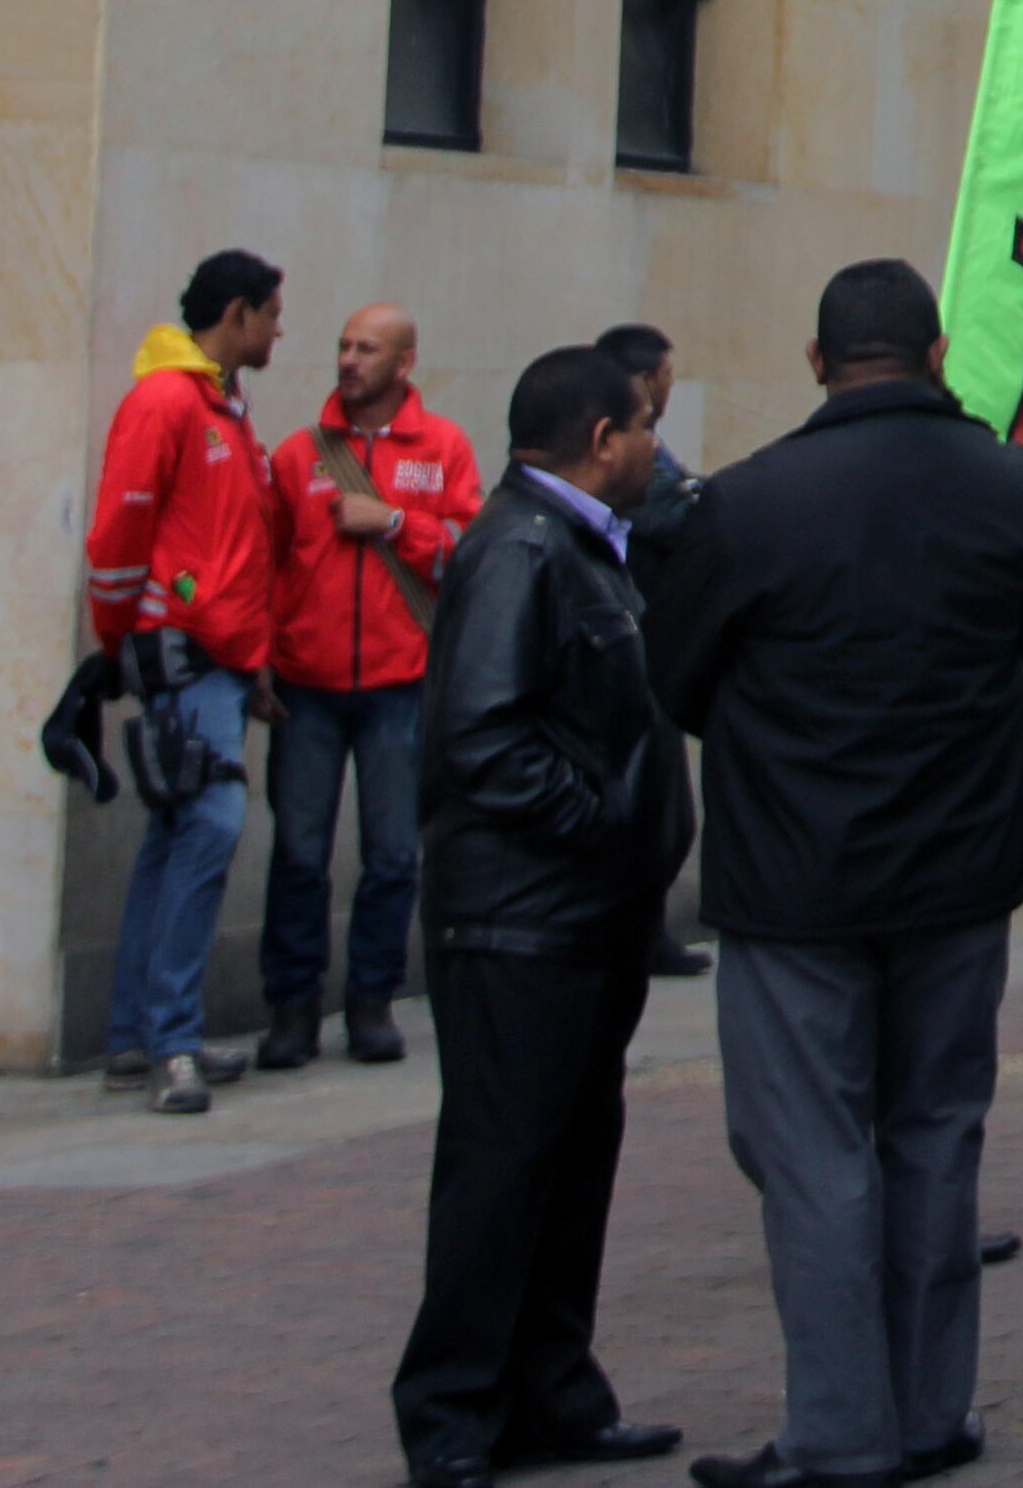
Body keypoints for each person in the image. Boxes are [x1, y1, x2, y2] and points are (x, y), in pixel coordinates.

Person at [644, 261, 1023, 1488]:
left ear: (819, 362)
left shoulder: (751, 502)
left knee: (813, 1149)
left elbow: (676, 678)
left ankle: (838, 1429)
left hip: (798, 874)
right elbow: (1009, 647)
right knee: (934, 1136)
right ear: (937, 353)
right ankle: (928, 1409)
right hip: (955, 869)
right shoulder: (1007, 490)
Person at [392, 345, 700, 1488]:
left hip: (584, 921)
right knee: (502, 1165)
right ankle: (453, 1411)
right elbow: (477, 734)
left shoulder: (588, 547)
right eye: (641, 430)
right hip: (520, 923)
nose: (655, 449)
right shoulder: (520, 548)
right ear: (600, 442)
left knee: (570, 1164)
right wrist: (599, 821)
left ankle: (551, 1388)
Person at [84, 247, 289, 1111]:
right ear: (237, 314)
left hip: (218, 656)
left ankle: (141, 1033)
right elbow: (119, 536)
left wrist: (254, 656)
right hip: (191, 654)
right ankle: (169, 1040)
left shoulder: (220, 404)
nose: (281, 328)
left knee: (176, 836)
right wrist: (129, 637)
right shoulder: (172, 402)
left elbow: (227, 549)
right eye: (273, 312)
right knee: (208, 825)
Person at [261, 301, 480, 1072]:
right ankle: (291, 1008)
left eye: (367, 347)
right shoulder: (297, 455)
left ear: (405, 361)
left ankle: (372, 1002)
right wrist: (260, 658)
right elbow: (263, 564)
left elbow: (466, 554)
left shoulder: (444, 448)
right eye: (343, 344)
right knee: (297, 853)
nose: (349, 359)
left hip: (399, 682)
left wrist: (392, 523)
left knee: (392, 855)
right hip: (306, 684)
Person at [598, 322, 716, 984]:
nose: (671, 385)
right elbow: (664, 508)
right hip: (629, 643)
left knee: (669, 814)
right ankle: (632, 933)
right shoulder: (619, 445)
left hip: (655, 640)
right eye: (667, 374)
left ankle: (644, 932)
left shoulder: (651, 446)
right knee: (656, 810)